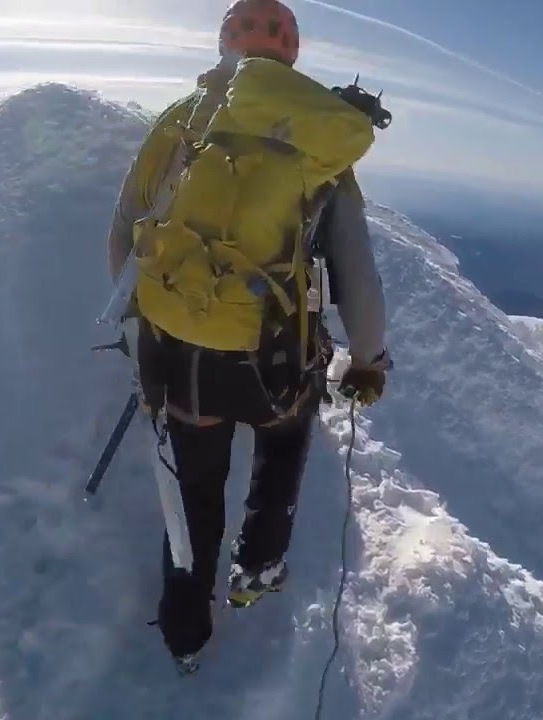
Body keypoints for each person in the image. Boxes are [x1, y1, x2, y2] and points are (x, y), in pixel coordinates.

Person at [104, 0, 391, 667]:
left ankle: (185, 628)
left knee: (196, 492)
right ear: (291, 54)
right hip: (273, 362)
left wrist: (140, 323)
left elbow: (125, 229)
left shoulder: (180, 123)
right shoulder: (321, 142)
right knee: (286, 436)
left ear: (224, 46)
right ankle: (259, 563)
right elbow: (357, 274)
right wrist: (369, 360)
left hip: (180, 361)